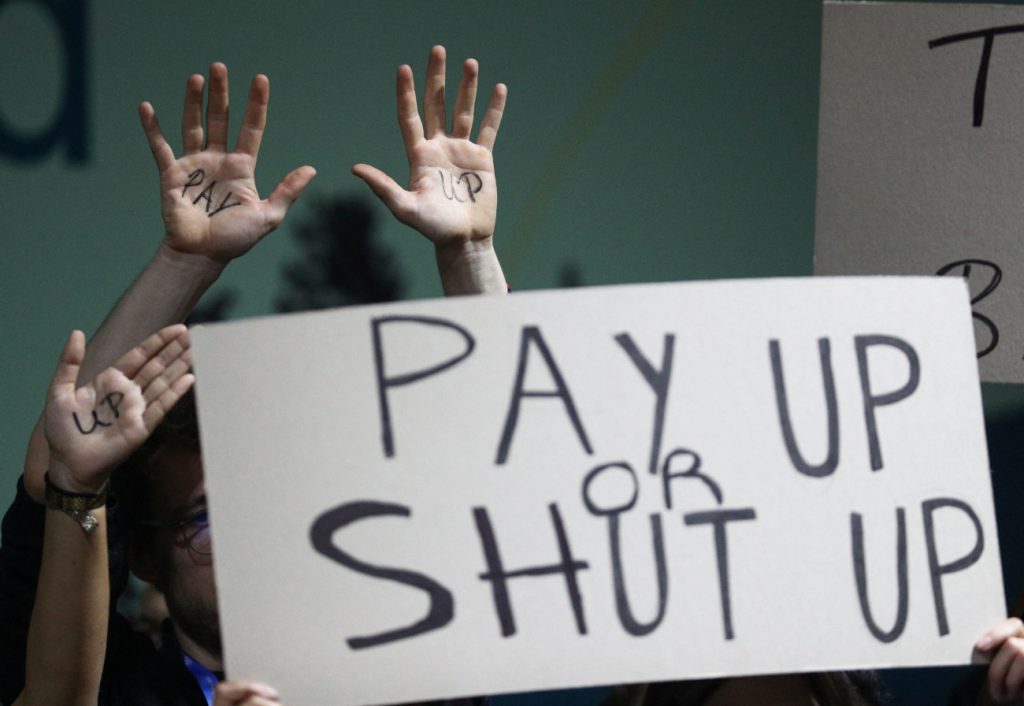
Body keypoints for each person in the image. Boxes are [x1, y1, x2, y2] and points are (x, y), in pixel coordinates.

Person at [1, 45, 507, 706]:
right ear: (146, 557)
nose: (258, 539)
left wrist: (470, 254)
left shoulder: (411, 673)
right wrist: (185, 262)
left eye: (275, 502)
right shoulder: (122, 686)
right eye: (207, 518)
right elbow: (61, 476)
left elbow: (515, 480)